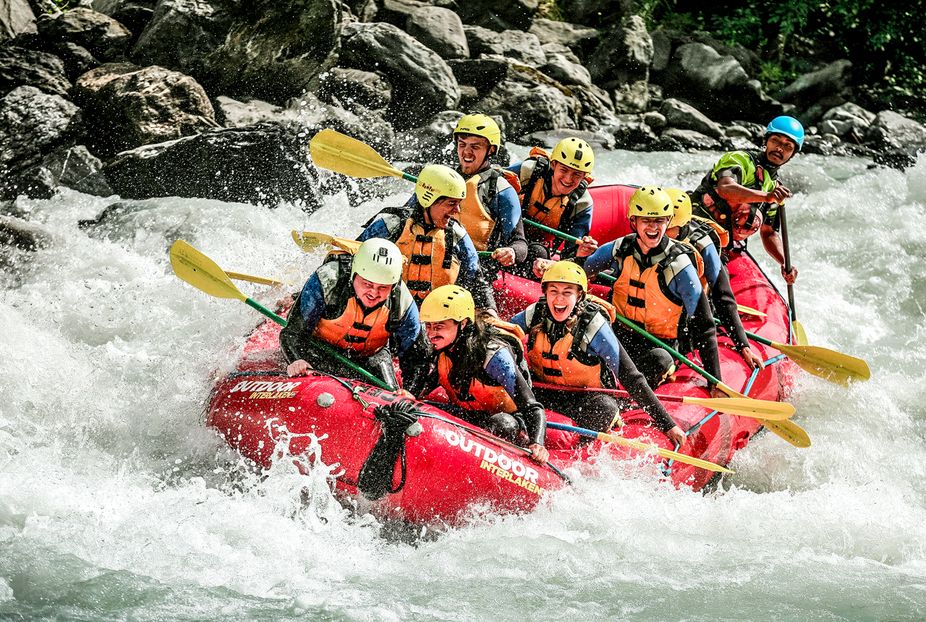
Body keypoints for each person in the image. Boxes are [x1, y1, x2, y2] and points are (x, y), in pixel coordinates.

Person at [510, 261, 686, 446]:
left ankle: (576, 452)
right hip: (544, 392)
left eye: (567, 292)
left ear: (579, 296)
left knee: (604, 408)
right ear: (545, 293)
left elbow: (631, 376)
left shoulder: (593, 325)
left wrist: (668, 425)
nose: (559, 299)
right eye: (553, 291)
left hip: (586, 398)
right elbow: (505, 340)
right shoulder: (534, 313)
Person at [577, 187, 724, 396]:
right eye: (646, 221)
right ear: (634, 221)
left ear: (668, 221)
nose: (653, 228)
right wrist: (569, 263)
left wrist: (714, 380)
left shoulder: (680, 265)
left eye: (660, 221)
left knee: (658, 359)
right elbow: (580, 273)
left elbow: (704, 324)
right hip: (618, 334)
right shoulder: (621, 248)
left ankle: (628, 400)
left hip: (658, 343)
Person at [417, 284, 549, 464]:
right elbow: (422, 386)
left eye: (439, 326)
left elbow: (533, 407)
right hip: (468, 415)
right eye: (429, 326)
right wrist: (410, 396)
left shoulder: (494, 355)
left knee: (503, 423)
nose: (431, 333)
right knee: (419, 410)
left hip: (508, 420)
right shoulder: (438, 346)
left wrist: (537, 444)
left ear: (463, 323)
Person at [280, 238, 426, 392]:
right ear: (353, 275)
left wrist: (410, 392)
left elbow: (416, 357)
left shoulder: (403, 301)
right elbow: (291, 334)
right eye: (367, 284)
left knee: (392, 397)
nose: (373, 293)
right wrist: (297, 359)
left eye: (383, 287)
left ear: (394, 285)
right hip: (318, 350)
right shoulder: (328, 280)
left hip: (370, 358)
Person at [358, 163, 496, 311]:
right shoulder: (391, 225)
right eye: (451, 204)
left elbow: (477, 280)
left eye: (458, 204)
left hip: (437, 318)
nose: (457, 211)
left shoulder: (457, 234)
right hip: (389, 312)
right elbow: (354, 259)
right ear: (428, 200)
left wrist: (490, 312)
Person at [689, 115, 804, 284]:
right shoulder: (740, 160)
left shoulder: (774, 186)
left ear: (792, 154)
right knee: (723, 297)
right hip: (696, 227)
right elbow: (725, 188)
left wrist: (785, 262)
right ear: (766, 141)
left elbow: (769, 232)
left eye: (787, 146)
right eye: (776, 141)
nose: (780, 148)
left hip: (723, 244)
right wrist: (767, 197)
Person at [665, 188, 764, 370]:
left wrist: (743, 346)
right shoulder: (645, 238)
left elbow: (723, 297)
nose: (659, 232)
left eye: (666, 227)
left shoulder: (703, 246)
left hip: (688, 318)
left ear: (680, 225)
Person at [508, 137, 599, 277]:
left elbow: (571, 255)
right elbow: (491, 187)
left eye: (577, 174)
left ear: (584, 176)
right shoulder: (527, 171)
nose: (568, 179)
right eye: (564, 170)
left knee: (539, 253)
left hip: (535, 246)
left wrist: (582, 252)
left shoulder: (582, 204)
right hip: (505, 232)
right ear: (554, 165)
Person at [451, 113, 528, 271]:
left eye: (475, 146)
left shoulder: (501, 190)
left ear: (491, 150)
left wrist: (512, 251)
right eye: (462, 144)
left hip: (476, 270)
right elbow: (406, 216)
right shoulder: (441, 178)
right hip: (436, 263)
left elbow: (519, 242)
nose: (466, 151)